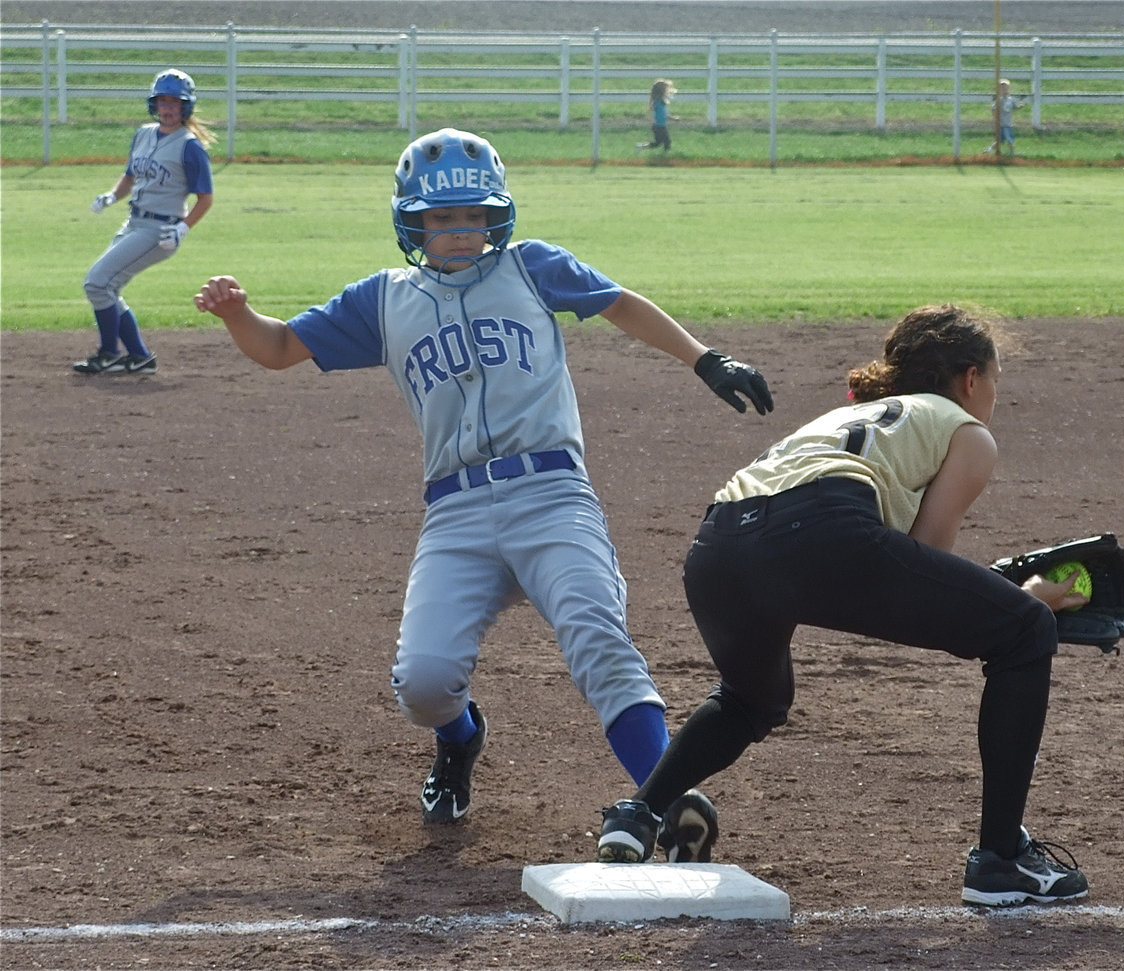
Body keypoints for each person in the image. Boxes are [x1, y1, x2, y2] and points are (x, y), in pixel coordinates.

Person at [192, 128, 774, 833]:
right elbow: (280, 346)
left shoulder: (531, 267)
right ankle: (460, 738)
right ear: (413, 221)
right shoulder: (383, 300)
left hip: (552, 495)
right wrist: (236, 315)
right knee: (424, 684)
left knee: (600, 642)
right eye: (442, 219)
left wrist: (705, 358)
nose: (461, 231)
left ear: (497, 215)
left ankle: (664, 803)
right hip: (456, 511)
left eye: (474, 215)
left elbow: (620, 302)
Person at [597, 304, 1092, 908]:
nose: (993, 394)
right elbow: (924, 558)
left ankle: (638, 812)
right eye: (994, 380)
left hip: (718, 546)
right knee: (1025, 632)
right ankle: (1001, 860)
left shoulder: (848, 416)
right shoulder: (966, 430)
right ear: (969, 380)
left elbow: (903, 571)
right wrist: (1025, 600)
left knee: (752, 698)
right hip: (821, 530)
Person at [76, 69, 215, 376]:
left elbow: (205, 197)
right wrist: (112, 196)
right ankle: (139, 357)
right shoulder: (143, 134)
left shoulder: (189, 146)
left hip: (160, 230)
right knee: (107, 288)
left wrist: (183, 228)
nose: (167, 108)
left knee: (97, 282)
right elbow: (130, 176)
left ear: (186, 107)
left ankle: (110, 353)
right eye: (162, 101)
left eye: (174, 103)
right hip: (134, 223)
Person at [636, 78, 679, 153]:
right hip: (658, 126)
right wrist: (653, 119)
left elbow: (664, 114)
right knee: (667, 141)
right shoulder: (656, 102)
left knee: (658, 143)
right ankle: (666, 155)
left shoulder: (662, 102)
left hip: (661, 125)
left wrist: (673, 118)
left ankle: (641, 146)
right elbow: (650, 111)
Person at [988, 78, 1025, 156]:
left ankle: (989, 150)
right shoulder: (999, 100)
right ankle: (1012, 153)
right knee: (1008, 139)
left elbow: (1014, 107)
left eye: (1006, 88)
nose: (1005, 90)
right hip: (1002, 124)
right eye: (1002, 89)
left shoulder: (1010, 99)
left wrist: (1019, 106)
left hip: (1008, 124)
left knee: (1000, 140)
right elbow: (993, 109)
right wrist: (996, 119)